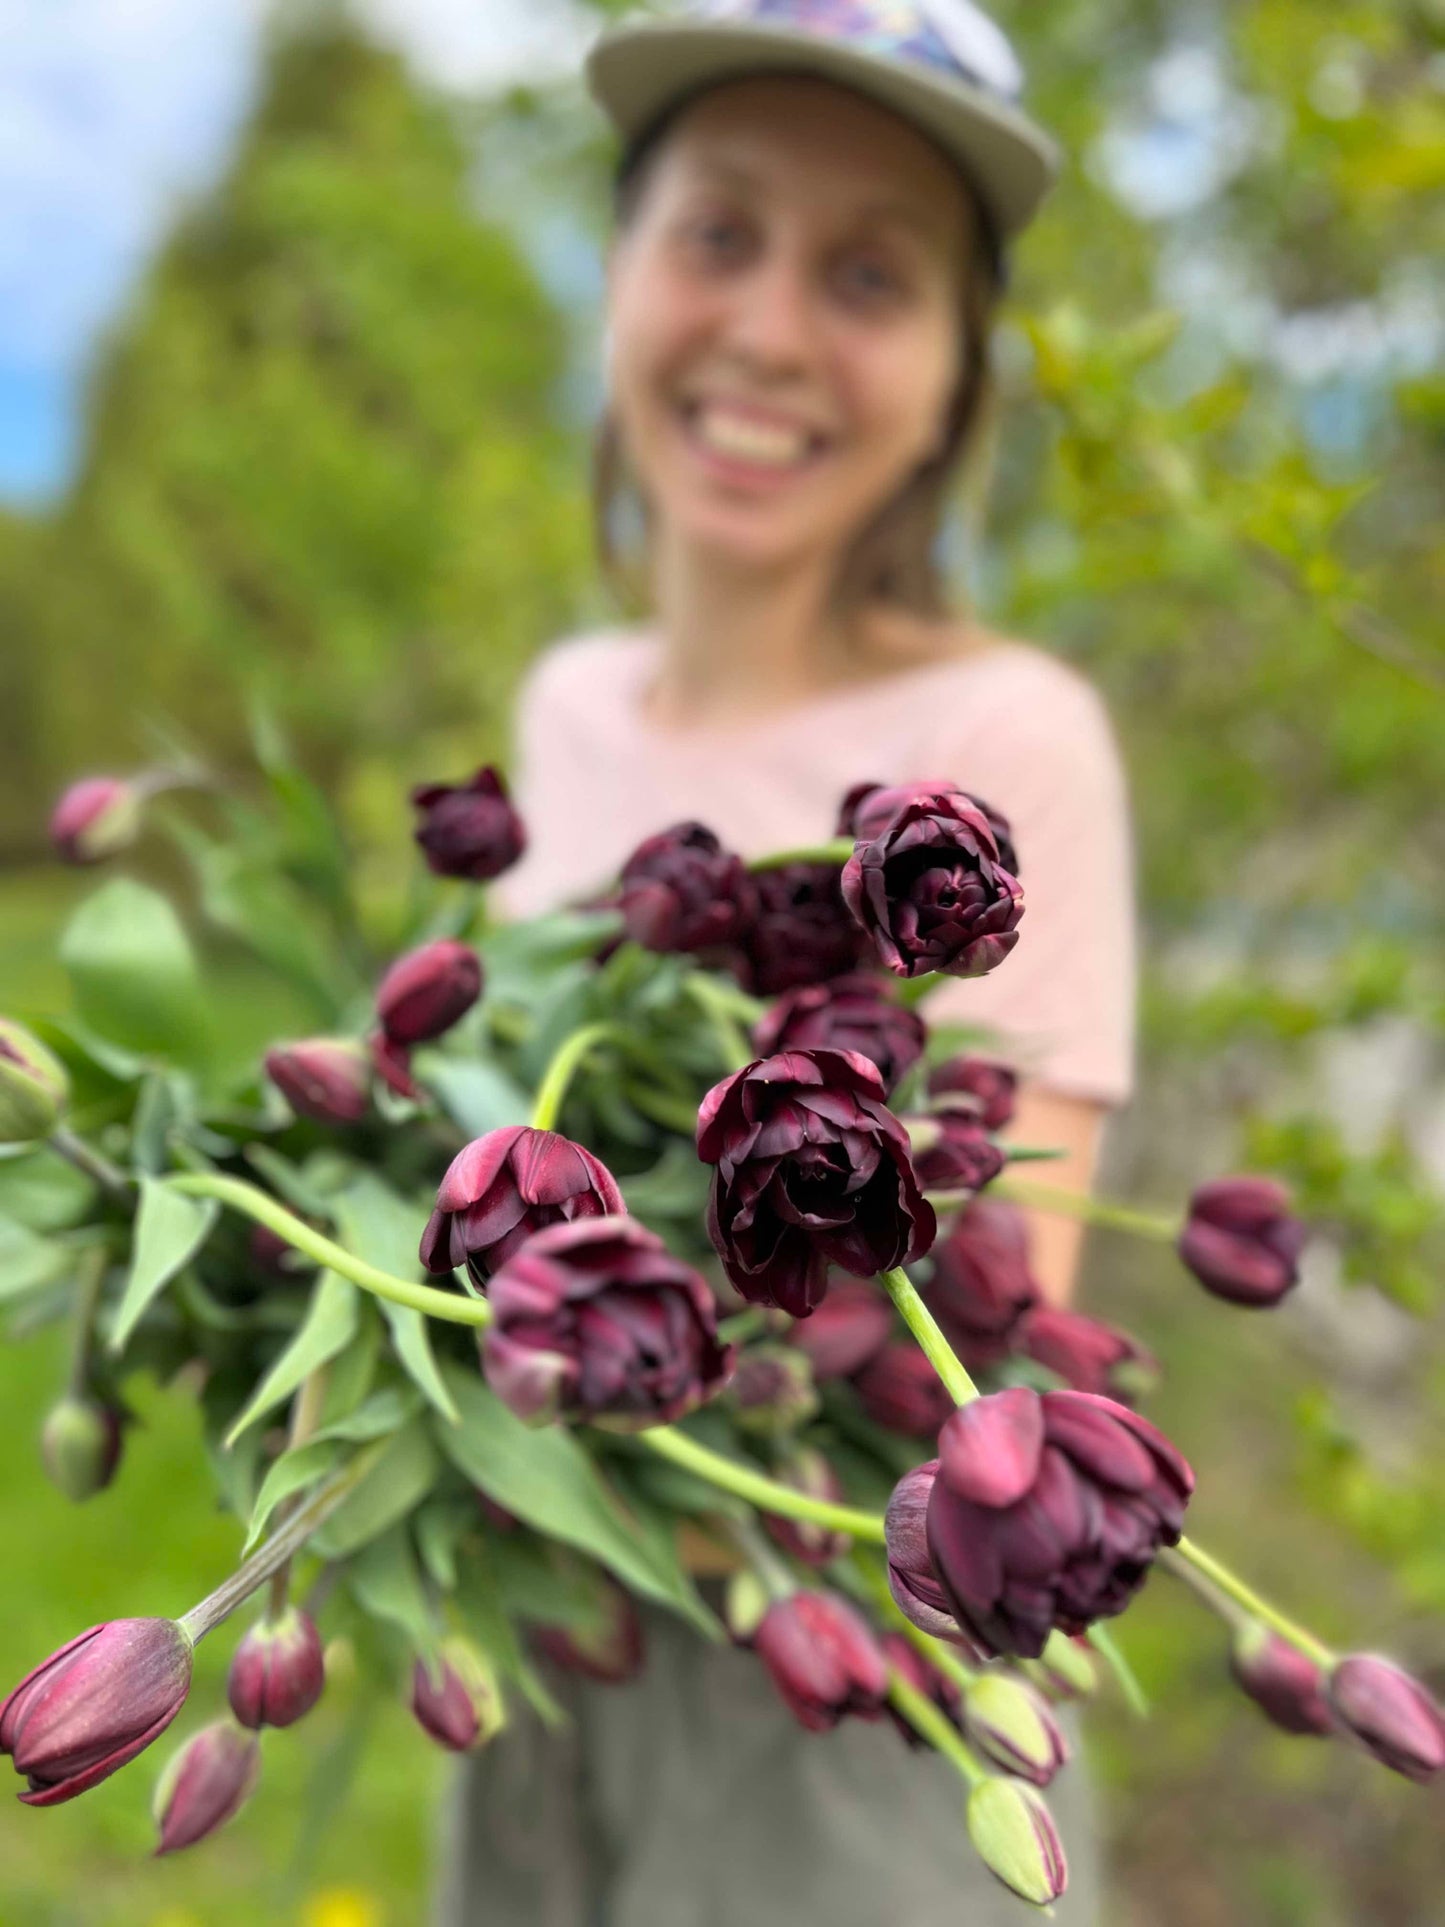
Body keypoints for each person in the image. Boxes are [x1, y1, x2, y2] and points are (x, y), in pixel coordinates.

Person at [437, 3, 1132, 1920]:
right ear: (618, 270)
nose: (765, 332)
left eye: (869, 275)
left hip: (841, 1683)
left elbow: (983, 1328)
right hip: (536, 1613)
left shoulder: (1008, 738)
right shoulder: (568, 705)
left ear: (949, 371)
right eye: (718, 233)